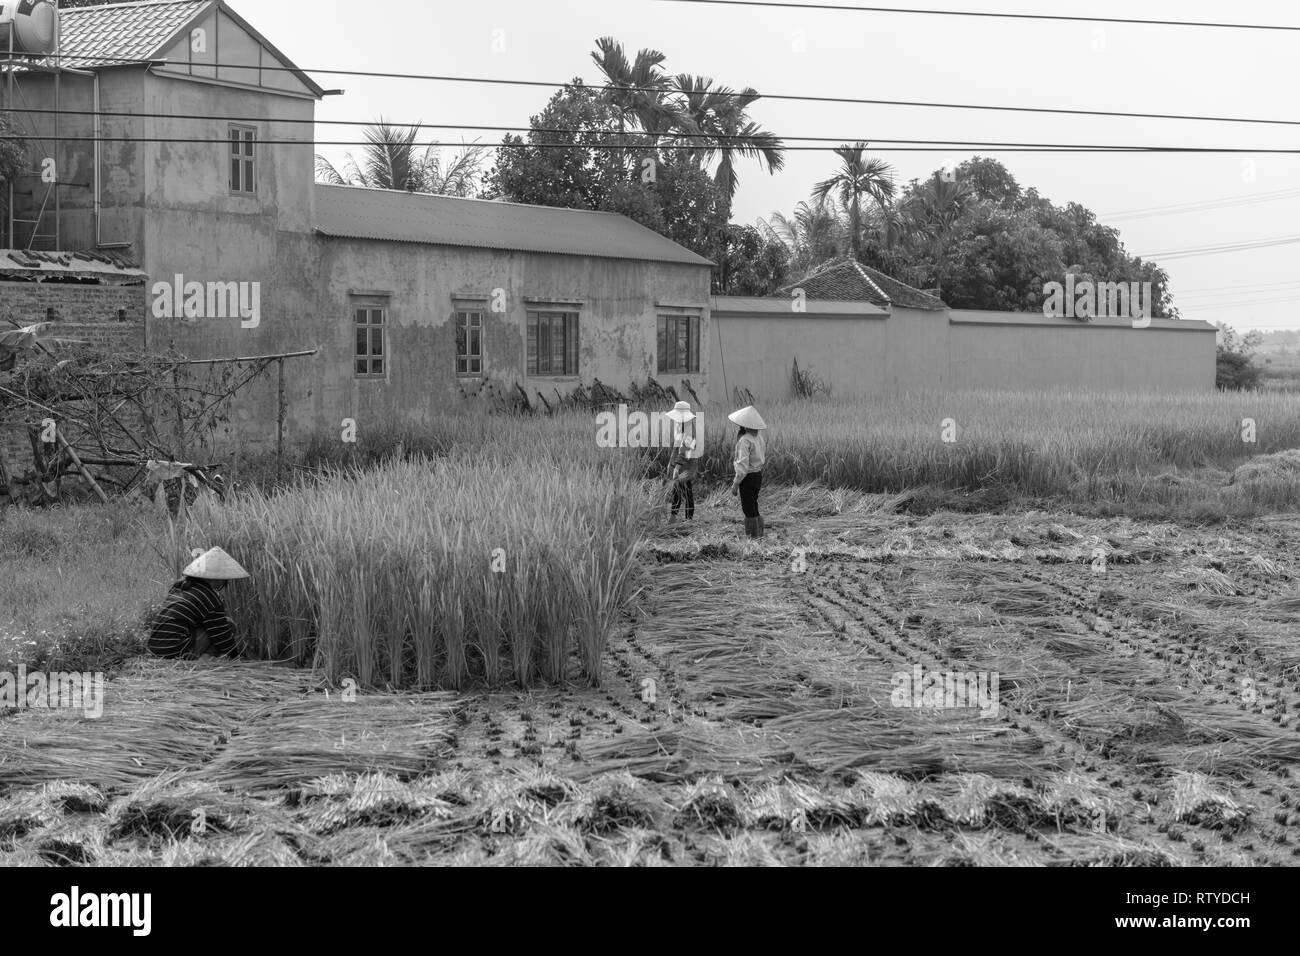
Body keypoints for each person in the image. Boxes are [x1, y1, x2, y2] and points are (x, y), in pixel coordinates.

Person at [148, 547, 249, 659]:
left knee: (214, 626)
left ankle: (201, 658)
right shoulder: (208, 596)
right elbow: (221, 635)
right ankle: (203, 660)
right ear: (217, 578)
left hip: (155, 649)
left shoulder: (179, 588)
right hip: (175, 651)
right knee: (228, 625)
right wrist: (235, 657)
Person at [729, 405, 767, 538]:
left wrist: (735, 484)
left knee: (748, 508)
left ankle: (753, 538)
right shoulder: (758, 438)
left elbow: (742, 466)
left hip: (748, 477)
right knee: (753, 505)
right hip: (757, 476)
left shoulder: (745, 440)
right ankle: (759, 534)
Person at [665, 400, 699, 521]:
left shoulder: (690, 429)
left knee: (686, 491)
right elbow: (676, 447)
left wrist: (678, 467)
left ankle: (688, 520)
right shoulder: (680, 425)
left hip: (688, 463)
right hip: (679, 462)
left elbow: (685, 448)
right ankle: (673, 517)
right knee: (677, 491)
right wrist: (671, 463)